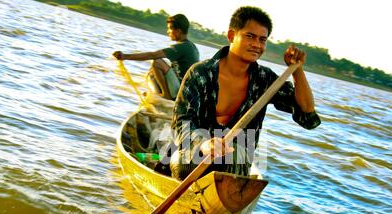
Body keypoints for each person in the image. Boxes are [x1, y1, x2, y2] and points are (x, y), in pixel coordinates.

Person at [170, 6, 321, 180]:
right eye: (250, 36)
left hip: (235, 163)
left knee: (230, 155)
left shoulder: (264, 79)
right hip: (197, 155)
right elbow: (181, 122)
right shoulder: (200, 73)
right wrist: (203, 144)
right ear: (231, 36)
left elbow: (307, 114)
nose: (257, 45)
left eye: (262, 40)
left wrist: (297, 70)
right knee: (178, 161)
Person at [113, 14, 199, 100]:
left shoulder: (182, 47)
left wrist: (125, 56)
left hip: (182, 93)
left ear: (178, 31)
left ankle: (166, 96)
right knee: (152, 72)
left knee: (157, 62)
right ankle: (158, 95)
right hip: (185, 91)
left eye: (170, 29)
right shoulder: (191, 46)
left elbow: (152, 55)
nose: (168, 32)